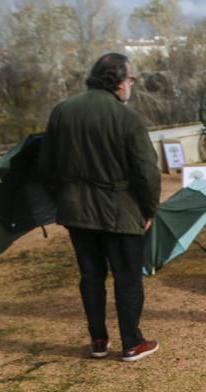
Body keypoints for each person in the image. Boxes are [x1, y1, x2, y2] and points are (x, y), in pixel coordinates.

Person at [37, 53, 161, 362]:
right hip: (120, 212)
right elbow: (147, 171)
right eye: (131, 79)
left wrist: (63, 197)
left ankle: (98, 340)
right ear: (119, 81)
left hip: (76, 211)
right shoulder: (126, 117)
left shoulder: (62, 111)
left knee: (90, 276)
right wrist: (149, 210)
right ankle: (132, 342)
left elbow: (46, 165)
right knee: (128, 278)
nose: (131, 85)